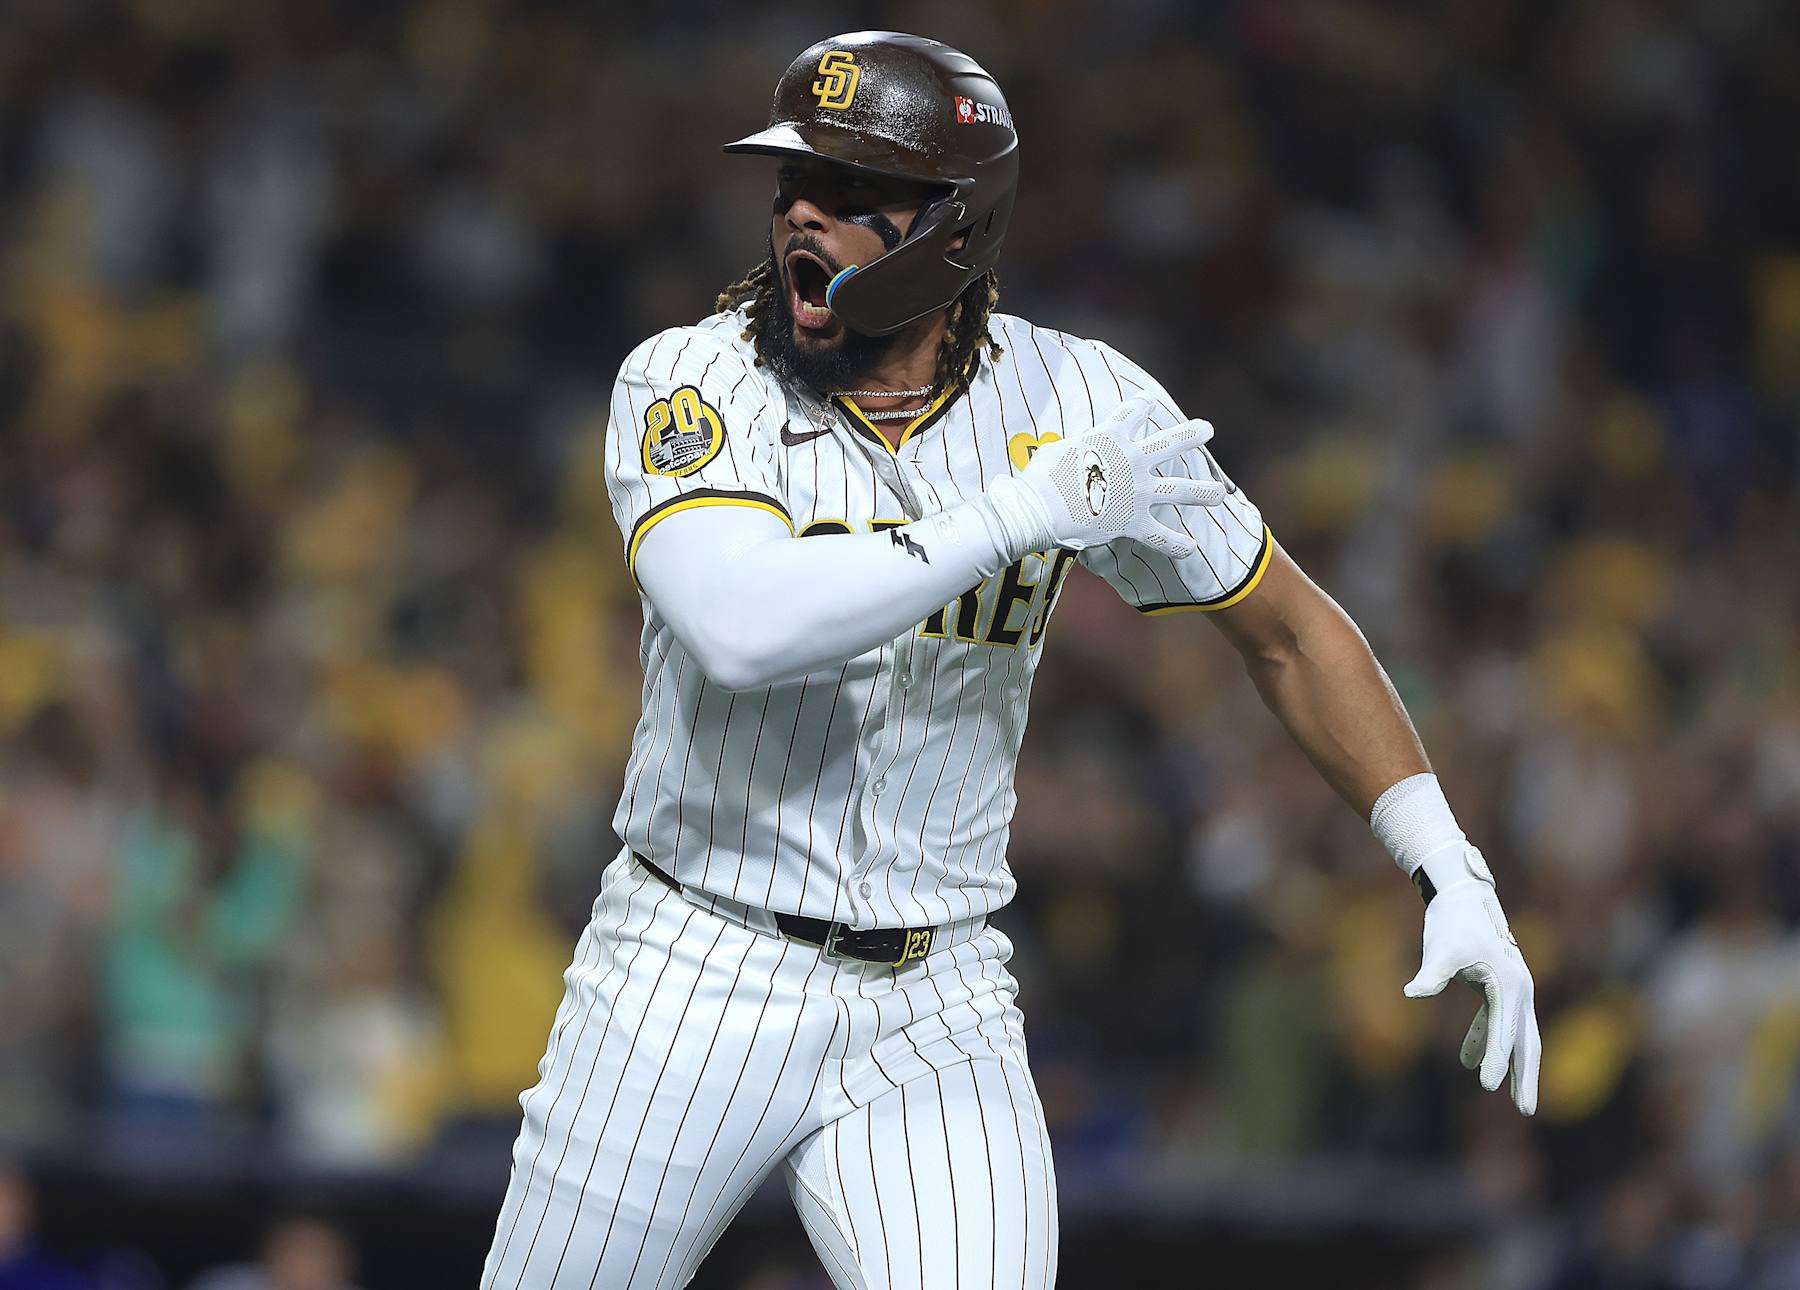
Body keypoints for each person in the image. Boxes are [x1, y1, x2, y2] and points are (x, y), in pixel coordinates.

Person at [481, 30, 1541, 1290]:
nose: (801, 217)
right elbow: (743, 626)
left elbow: (1290, 628)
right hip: (694, 960)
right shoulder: (691, 378)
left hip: (938, 994)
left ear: (954, 228)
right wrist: (1017, 514)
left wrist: (1444, 862)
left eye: (850, 195)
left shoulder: (1080, 405)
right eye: (789, 188)